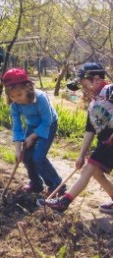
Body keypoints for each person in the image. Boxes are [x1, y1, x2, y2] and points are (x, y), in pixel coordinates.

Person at [37, 63, 113, 213]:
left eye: (84, 84)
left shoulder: (110, 91)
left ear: (96, 79)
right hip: (104, 141)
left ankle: (63, 202)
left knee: (88, 169)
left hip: (110, 140)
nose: (83, 89)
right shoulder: (93, 105)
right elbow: (90, 131)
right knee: (95, 171)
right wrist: (81, 155)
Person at [2, 68, 65, 196]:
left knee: (38, 157)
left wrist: (32, 136)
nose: (16, 99)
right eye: (12, 96)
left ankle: (56, 185)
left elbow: (47, 120)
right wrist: (18, 150)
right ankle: (36, 184)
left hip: (49, 125)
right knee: (25, 156)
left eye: (19, 95)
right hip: (32, 126)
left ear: (28, 88)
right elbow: (17, 128)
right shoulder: (15, 106)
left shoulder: (40, 98)